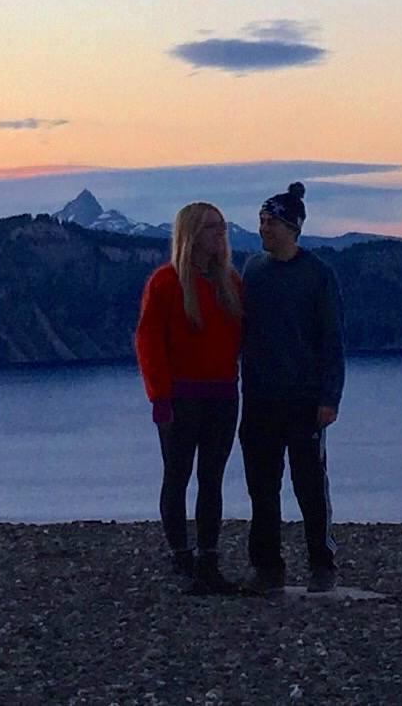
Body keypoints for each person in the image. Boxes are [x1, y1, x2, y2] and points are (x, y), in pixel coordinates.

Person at [238, 179, 344, 593]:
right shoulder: (253, 270)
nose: (263, 228)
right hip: (259, 397)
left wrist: (329, 397)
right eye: (262, 221)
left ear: (292, 228)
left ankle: (322, 563)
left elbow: (331, 339)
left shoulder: (318, 275)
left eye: (271, 222)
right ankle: (267, 567)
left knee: (309, 485)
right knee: (262, 487)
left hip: (303, 399)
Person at [133, 201, 245, 594]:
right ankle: (181, 555)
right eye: (212, 227)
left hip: (223, 396)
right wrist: (159, 398)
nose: (220, 233)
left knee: (212, 479)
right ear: (192, 234)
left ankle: (208, 559)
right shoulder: (165, 283)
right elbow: (149, 342)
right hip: (181, 398)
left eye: (222, 226)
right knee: (177, 476)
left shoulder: (229, 283)